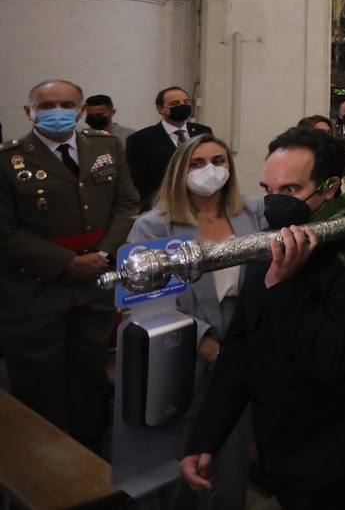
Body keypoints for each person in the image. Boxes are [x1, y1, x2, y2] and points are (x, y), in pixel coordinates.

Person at [182, 128, 345, 509]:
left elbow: (334, 357)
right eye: (268, 189)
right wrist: (206, 438)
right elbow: (241, 346)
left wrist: (283, 284)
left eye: (290, 191)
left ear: (331, 188)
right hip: (280, 439)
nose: (273, 203)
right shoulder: (272, 238)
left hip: (341, 449)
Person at [0, 79, 139, 449]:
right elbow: (5, 231)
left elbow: (126, 206)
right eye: (46, 105)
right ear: (28, 112)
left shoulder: (106, 147)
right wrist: (65, 263)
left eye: (66, 104)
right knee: (39, 388)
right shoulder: (8, 159)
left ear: (80, 111)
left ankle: (90, 463)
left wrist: (105, 254)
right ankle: (44, 473)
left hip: (94, 288)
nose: (56, 111)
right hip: (34, 293)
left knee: (90, 380)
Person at [130, 135, 266, 510]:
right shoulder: (153, 227)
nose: (210, 170)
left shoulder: (250, 212)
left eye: (219, 160)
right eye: (197, 163)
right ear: (179, 171)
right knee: (178, 457)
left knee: (231, 452)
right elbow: (146, 302)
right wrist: (207, 346)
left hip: (240, 341)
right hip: (181, 346)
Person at [126, 87, 214, 206]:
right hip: (161, 205)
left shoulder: (203, 131)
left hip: (202, 202)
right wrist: (161, 202)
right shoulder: (140, 139)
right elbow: (138, 180)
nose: (182, 106)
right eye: (175, 103)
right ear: (160, 109)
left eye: (186, 102)